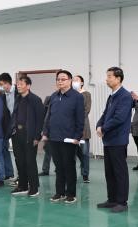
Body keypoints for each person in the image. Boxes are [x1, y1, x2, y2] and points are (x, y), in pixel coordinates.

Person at [42, 69, 84, 204]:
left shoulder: (77, 97)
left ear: (70, 81)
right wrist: (45, 132)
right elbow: (48, 116)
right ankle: (59, 192)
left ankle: (71, 194)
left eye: (63, 79)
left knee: (69, 166)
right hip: (54, 137)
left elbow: (80, 118)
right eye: (58, 79)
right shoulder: (54, 96)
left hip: (69, 138)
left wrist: (77, 136)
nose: (60, 81)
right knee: (58, 167)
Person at [95, 67, 133, 212]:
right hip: (109, 140)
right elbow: (105, 114)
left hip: (118, 140)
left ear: (118, 78)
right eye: (107, 76)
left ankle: (122, 202)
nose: (107, 79)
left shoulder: (125, 96)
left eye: (110, 76)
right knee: (109, 171)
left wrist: (103, 128)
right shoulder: (112, 96)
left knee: (119, 172)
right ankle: (112, 200)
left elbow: (119, 118)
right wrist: (99, 125)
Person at [10, 75, 44, 197]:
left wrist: (37, 137)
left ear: (28, 86)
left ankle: (34, 187)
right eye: (17, 84)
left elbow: (40, 119)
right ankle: (23, 185)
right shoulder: (18, 98)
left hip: (30, 135)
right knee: (19, 161)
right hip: (17, 134)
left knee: (30, 162)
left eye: (21, 84)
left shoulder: (35, 99)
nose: (18, 86)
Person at [0, 72, 16, 181]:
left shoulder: (18, 92)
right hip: (10, 126)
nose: (1, 87)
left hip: (22, 126)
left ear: (8, 83)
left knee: (21, 154)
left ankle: (24, 178)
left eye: (1, 84)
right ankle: (12, 174)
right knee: (15, 153)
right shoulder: (3, 95)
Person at [72, 75, 92, 182]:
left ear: (82, 83)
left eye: (76, 80)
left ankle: (85, 174)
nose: (74, 82)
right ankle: (71, 174)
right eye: (73, 80)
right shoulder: (70, 94)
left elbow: (86, 110)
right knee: (72, 153)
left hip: (83, 127)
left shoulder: (86, 94)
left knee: (84, 153)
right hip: (70, 128)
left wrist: (74, 118)